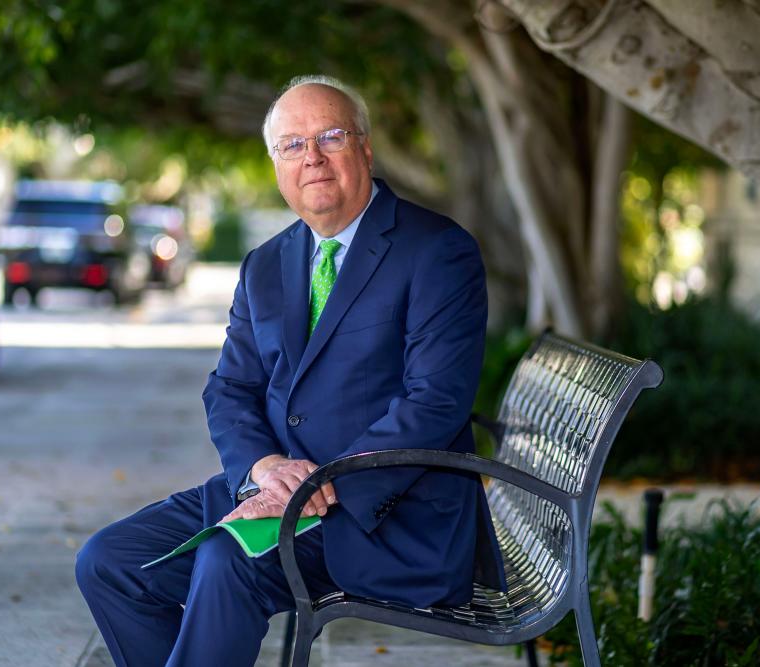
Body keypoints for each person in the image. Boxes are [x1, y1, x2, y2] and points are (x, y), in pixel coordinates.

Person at [75, 74, 506, 667]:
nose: (313, 158)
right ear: (277, 164)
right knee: (111, 561)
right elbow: (230, 388)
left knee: (228, 562)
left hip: (386, 516)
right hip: (274, 488)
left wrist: (314, 487)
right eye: (293, 145)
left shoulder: (437, 251)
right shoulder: (267, 264)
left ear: (365, 148)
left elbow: (435, 402)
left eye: (330, 137)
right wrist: (263, 467)